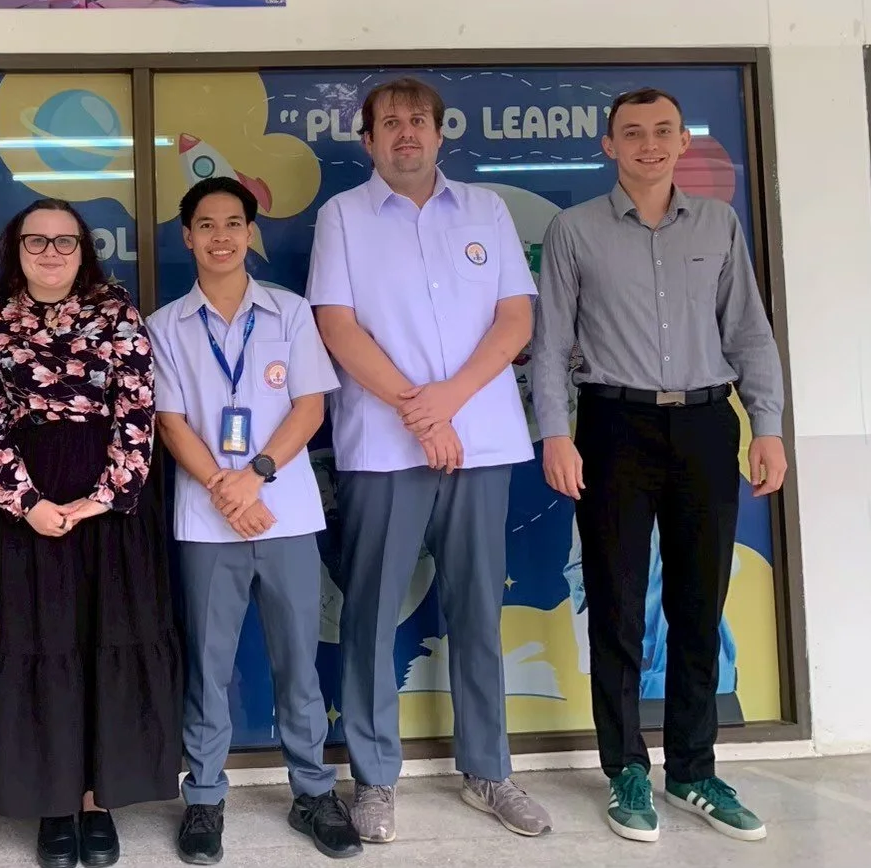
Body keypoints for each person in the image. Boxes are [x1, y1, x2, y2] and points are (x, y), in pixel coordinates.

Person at [531, 87, 787, 844]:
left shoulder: (716, 224)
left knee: (697, 604)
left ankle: (693, 770)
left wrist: (765, 428)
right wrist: (555, 433)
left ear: (682, 143)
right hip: (612, 423)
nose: (648, 144)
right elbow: (548, 345)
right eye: (632, 133)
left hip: (708, 423)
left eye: (663, 132)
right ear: (607, 145)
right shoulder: (573, 230)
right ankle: (626, 771)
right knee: (614, 603)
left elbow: (748, 332)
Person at [305, 77, 552, 843]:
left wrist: (445, 402)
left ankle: (488, 771)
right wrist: (421, 409)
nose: (405, 133)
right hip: (382, 451)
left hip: (481, 445)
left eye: (417, 121)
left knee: (478, 610)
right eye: (389, 123)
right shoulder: (341, 217)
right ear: (368, 140)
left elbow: (516, 319)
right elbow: (337, 329)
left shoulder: (485, 211)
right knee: (372, 614)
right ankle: (373, 780)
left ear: (440, 133)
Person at [0, 198, 181, 868]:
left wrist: (99, 499)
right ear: (14, 250)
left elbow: (137, 414)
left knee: (101, 642)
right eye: (37, 242)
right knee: (43, 644)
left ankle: (95, 801)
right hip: (27, 511)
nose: (51, 253)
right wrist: (25, 502)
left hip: (109, 510)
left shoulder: (117, 316)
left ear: (84, 249)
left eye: (65, 241)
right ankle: (53, 804)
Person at [148, 177, 361, 864]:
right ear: (186, 237)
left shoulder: (290, 314)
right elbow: (169, 420)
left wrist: (254, 476)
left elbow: (309, 408)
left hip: (284, 510)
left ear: (249, 233)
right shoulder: (164, 327)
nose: (219, 237)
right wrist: (221, 485)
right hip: (208, 520)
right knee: (207, 666)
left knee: (298, 659)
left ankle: (312, 791)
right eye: (205, 225)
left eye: (233, 223)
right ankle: (204, 796)